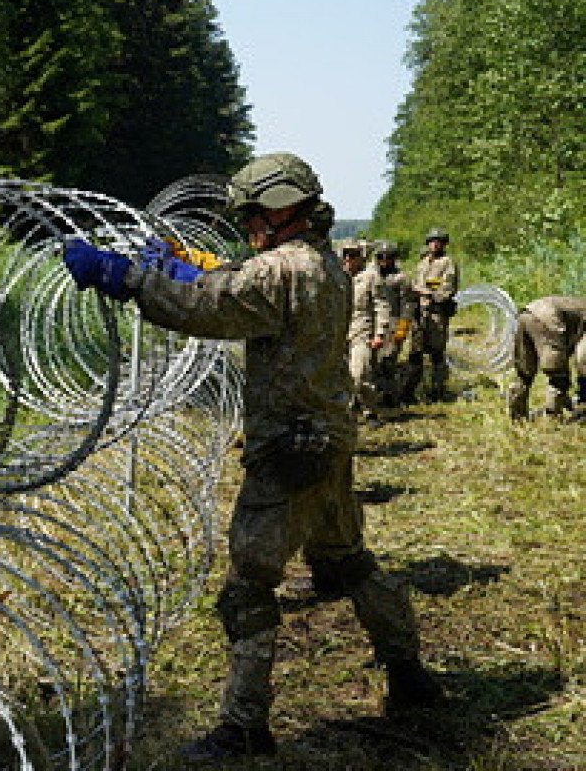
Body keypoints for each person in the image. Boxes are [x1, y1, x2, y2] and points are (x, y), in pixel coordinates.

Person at [62, 153, 442, 761]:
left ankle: (244, 726)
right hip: (329, 438)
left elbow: (210, 307)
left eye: (253, 215)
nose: (248, 226)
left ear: (282, 208)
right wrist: (185, 268)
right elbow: (236, 285)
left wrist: (127, 278)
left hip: (288, 450)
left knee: (248, 587)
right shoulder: (324, 263)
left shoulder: (280, 269)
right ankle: (410, 673)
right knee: (349, 560)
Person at [401, 228, 459, 403]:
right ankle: (410, 390)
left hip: (437, 314)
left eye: (438, 241)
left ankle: (437, 390)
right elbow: (415, 284)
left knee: (437, 354)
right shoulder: (423, 263)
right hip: (420, 314)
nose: (434, 245)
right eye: (432, 241)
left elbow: (447, 290)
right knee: (415, 353)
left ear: (444, 244)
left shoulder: (448, 263)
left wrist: (425, 292)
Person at [506, 295, 586, 420]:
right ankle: (552, 418)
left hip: (527, 313)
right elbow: (582, 358)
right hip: (551, 319)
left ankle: (517, 417)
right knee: (558, 377)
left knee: (524, 374)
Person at [341, 239, 389, 427]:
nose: (348, 258)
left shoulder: (370, 277)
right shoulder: (339, 276)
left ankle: (370, 411)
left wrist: (380, 333)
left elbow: (381, 305)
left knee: (359, 374)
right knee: (343, 376)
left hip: (362, 331)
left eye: (352, 255)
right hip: (341, 333)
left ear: (360, 257)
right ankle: (348, 412)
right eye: (345, 254)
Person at [371, 241, 413, 408]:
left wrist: (402, 329)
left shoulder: (401, 278)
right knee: (373, 363)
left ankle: (390, 398)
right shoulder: (373, 276)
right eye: (381, 257)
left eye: (387, 257)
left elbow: (407, 305)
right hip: (375, 324)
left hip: (394, 323)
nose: (384, 261)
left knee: (388, 362)